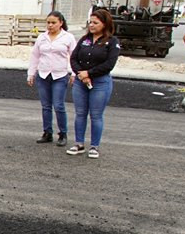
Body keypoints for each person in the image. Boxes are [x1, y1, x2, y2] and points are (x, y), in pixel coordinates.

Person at [67, 9, 120, 159]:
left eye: (95, 23)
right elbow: (73, 58)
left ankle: (94, 146)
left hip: (100, 83)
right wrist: (81, 74)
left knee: (96, 115)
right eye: (90, 22)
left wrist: (89, 73)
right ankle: (79, 143)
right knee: (80, 113)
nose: (91, 25)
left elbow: (109, 64)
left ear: (105, 24)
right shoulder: (84, 40)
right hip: (81, 82)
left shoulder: (112, 42)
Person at [27, 11, 76, 146]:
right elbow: (35, 56)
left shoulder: (68, 37)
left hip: (59, 75)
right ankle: (47, 132)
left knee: (58, 105)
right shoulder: (42, 37)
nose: (50, 25)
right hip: (43, 75)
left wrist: (74, 73)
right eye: (48, 22)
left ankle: (63, 133)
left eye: (53, 22)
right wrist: (31, 73)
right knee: (46, 106)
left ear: (61, 23)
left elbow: (74, 56)